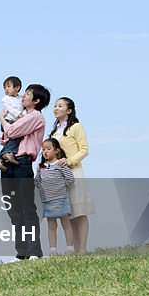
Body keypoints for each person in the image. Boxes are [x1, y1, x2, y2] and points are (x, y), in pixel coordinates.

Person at [0, 84, 50, 260]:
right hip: (8, 163)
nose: (23, 97)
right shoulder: (21, 115)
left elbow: (11, 131)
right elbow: (3, 139)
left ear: (36, 100)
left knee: (27, 208)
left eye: (27, 94)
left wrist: (2, 120)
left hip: (22, 163)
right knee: (13, 210)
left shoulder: (36, 116)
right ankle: (21, 252)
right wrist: (7, 129)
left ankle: (34, 250)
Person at [48, 97, 94, 254]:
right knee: (69, 212)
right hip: (58, 176)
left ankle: (82, 249)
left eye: (60, 106)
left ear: (69, 111)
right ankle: (74, 248)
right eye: (55, 106)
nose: (55, 108)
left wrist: (69, 161)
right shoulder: (54, 132)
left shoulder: (76, 127)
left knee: (79, 210)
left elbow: (84, 149)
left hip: (74, 172)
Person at [35, 138, 75, 256]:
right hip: (47, 201)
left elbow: (70, 179)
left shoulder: (60, 164)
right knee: (51, 225)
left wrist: (61, 188)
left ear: (56, 150)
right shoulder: (41, 168)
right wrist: (38, 172)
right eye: (43, 150)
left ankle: (70, 248)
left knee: (66, 224)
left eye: (48, 149)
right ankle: (53, 250)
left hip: (61, 199)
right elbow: (37, 182)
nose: (45, 152)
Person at [0, 75, 24, 172]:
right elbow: (10, 109)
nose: (6, 89)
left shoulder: (21, 99)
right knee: (16, 137)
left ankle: (0, 159)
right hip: (8, 121)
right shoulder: (5, 99)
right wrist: (19, 114)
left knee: (12, 141)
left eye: (8, 87)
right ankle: (8, 154)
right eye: (4, 87)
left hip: (14, 122)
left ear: (17, 88)